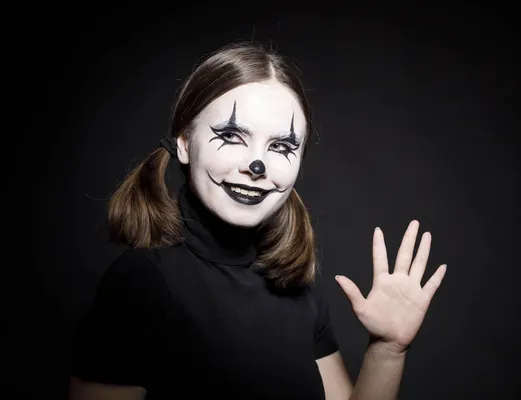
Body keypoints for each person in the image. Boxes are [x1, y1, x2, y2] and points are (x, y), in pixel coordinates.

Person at [68, 41, 447, 399]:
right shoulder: (141, 284)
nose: (257, 164)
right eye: (232, 135)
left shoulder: (298, 290)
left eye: (281, 146)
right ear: (184, 142)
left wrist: (387, 349)